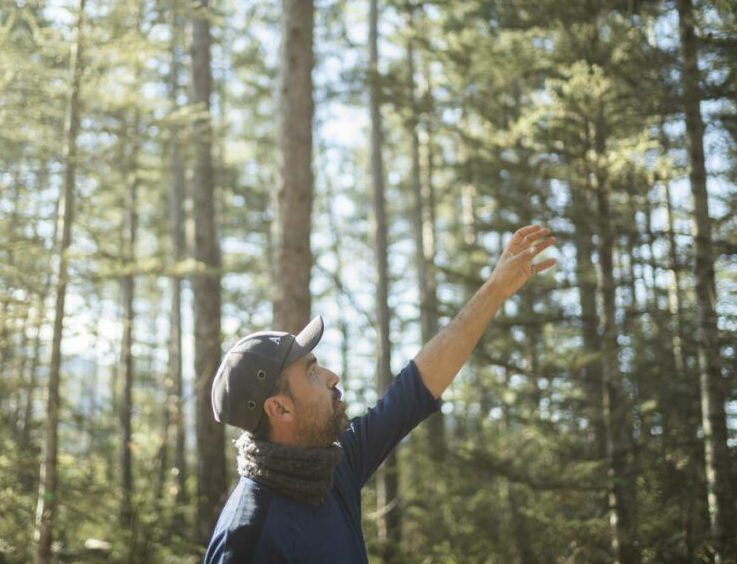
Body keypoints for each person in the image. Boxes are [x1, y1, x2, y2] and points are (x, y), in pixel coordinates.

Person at [205, 224, 557, 562]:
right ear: (279, 409)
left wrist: (494, 290)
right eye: (311, 371)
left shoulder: (330, 468)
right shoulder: (246, 537)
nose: (332, 376)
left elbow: (415, 388)